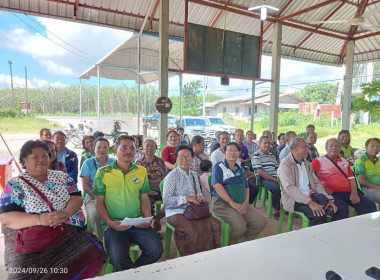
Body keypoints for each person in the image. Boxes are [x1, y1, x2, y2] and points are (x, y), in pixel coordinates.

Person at [0, 140, 105, 279]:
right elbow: (6, 217)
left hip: (68, 231)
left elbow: (76, 198)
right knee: (24, 274)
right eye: (35, 157)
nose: (41, 160)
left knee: (94, 250)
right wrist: (40, 219)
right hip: (33, 238)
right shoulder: (15, 185)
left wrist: (67, 212)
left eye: (45, 156)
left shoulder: (62, 177)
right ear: (24, 161)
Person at [93, 135, 163, 272]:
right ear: (115, 150)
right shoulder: (103, 173)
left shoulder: (141, 171)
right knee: (118, 256)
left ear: (136, 151)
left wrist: (147, 218)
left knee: (156, 250)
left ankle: (130, 274)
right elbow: (98, 202)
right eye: (123, 147)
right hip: (114, 225)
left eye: (132, 148)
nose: (128, 151)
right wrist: (108, 222)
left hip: (137, 221)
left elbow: (144, 198)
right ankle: (132, 274)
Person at [163, 145, 221, 255]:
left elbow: (198, 192)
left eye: (188, 156)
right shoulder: (172, 176)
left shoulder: (194, 174)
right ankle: (190, 259)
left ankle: (209, 256)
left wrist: (200, 197)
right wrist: (186, 199)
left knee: (214, 225)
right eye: (181, 156)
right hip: (176, 211)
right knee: (190, 230)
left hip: (193, 209)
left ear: (192, 158)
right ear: (176, 158)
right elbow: (166, 201)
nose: (184, 159)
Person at [211, 142, 267, 245]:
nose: (232, 153)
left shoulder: (240, 169)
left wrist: (246, 203)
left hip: (241, 202)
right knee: (239, 227)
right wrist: (232, 203)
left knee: (260, 221)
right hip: (222, 204)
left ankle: (244, 241)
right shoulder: (218, 166)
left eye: (235, 151)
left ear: (239, 153)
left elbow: (246, 188)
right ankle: (229, 243)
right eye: (230, 150)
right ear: (225, 152)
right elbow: (217, 186)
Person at [278, 138, 338, 226]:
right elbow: (290, 189)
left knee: (334, 208)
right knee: (319, 215)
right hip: (294, 199)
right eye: (305, 147)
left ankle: (323, 234)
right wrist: (309, 202)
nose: (307, 149)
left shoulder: (306, 163)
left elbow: (316, 183)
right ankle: (314, 238)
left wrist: (327, 198)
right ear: (295, 149)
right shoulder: (285, 165)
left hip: (310, 195)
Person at [311, 138, 377, 219]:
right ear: (326, 148)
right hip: (333, 194)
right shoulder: (319, 161)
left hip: (348, 193)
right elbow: (308, 176)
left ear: (340, 148)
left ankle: (365, 227)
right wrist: (322, 189)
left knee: (369, 205)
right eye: (331, 146)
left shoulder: (344, 161)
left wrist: (354, 192)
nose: (334, 148)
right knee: (341, 209)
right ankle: (339, 230)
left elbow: (351, 178)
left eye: (336, 146)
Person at [80, 137, 115, 240]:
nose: (102, 150)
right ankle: (102, 240)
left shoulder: (114, 163)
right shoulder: (88, 163)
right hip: (93, 196)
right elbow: (86, 186)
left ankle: (116, 238)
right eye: (99, 147)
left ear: (109, 149)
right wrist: (99, 198)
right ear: (94, 149)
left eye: (105, 147)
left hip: (112, 196)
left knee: (123, 212)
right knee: (95, 215)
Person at [135, 139, 168, 231]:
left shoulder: (160, 161)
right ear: (143, 149)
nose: (149, 148)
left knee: (173, 201)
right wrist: (146, 190)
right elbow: (135, 179)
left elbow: (166, 176)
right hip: (146, 190)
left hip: (161, 188)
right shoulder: (138, 163)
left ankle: (156, 219)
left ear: (156, 148)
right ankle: (151, 229)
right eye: (147, 146)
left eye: (152, 146)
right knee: (146, 203)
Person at [252, 135, 281, 219]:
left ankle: (287, 207)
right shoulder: (256, 155)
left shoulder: (272, 155)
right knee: (276, 188)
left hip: (275, 177)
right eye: (265, 143)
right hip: (263, 178)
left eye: (268, 143)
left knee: (290, 185)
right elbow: (260, 172)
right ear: (260, 144)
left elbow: (277, 168)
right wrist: (275, 180)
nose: (267, 145)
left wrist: (281, 178)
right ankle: (276, 210)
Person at [355, 138, 380, 205]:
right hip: (367, 189)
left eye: (378, 146)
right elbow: (362, 181)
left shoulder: (379, 160)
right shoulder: (361, 161)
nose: (375, 148)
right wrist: (378, 187)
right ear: (366, 147)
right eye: (372, 146)